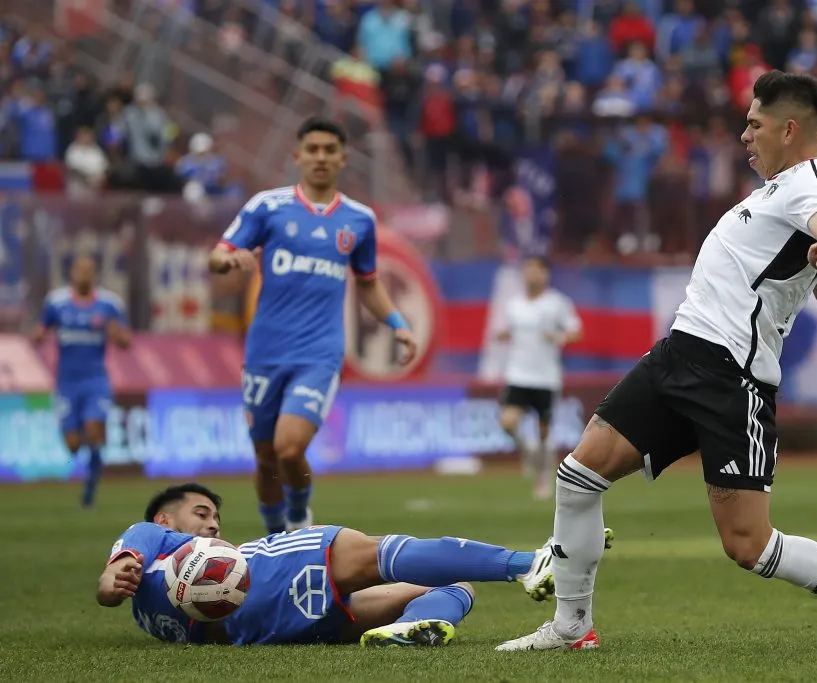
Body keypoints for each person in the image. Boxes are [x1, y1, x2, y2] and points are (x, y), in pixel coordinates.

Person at [496, 71, 817, 654]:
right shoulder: (779, 190)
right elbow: (816, 263)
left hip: (730, 378)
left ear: (790, 128)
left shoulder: (814, 186)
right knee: (579, 477)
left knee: (748, 546)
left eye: (754, 124)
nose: (744, 135)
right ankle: (571, 626)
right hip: (679, 353)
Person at [209, 117, 417, 534]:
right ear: (297, 155)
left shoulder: (359, 220)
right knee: (266, 457)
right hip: (265, 353)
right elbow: (217, 255)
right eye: (313, 149)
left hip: (319, 354)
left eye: (329, 150)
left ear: (343, 158)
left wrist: (398, 322)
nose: (320, 157)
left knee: (289, 447)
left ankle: (300, 519)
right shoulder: (267, 207)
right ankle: (274, 540)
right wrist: (230, 259)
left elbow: (369, 284)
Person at [97, 483, 613, 646]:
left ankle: (412, 626)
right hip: (277, 577)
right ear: (168, 519)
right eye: (200, 513)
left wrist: (114, 581)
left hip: (282, 628)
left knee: (454, 584)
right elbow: (139, 537)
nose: (212, 526)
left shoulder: (155, 592)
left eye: (215, 517)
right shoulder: (150, 549)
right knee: (380, 552)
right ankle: (527, 563)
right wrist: (113, 570)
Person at [31, 255, 131, 507]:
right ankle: (93, 448)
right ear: (72, 274)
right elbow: (41, 330)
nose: (84, 275)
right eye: (80, 270)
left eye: (89, 271)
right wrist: (38, 335)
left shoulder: (109, 305)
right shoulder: (56, 303)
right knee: (73, 445)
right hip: (66, 383)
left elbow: (126, 342)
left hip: (95, 380)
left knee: (94, 429)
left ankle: (89, 490)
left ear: (94, 275)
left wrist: (116, 334)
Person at [495, 256, 583, 499]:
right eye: (528, 270)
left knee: (544, 430)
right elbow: (508, 330)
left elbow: (577, 331)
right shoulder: (514, 305)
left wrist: (558, 337)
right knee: (507, 422)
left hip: (545, 377)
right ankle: (528, 452)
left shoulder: (557, 303)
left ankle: (543, 478)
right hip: (517, 374)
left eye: (536, 270)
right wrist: (503, 335)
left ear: (545, 274)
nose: (531, 274)